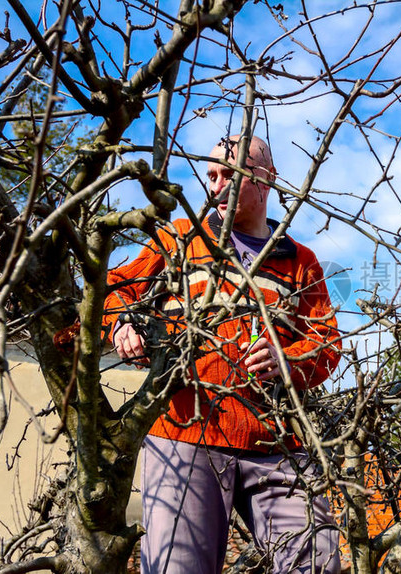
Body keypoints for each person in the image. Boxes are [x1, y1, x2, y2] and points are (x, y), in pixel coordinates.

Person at [103, 135, 342, 574]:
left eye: (231, 173)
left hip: (276, 443)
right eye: (212, 174)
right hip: (182, 434)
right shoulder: (179, 239)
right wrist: (121, 323)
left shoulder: (300, 260)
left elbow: (327, 343)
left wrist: (288, 359)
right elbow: (116, 288)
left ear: (267, 178)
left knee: (318, 562)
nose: (217, 183)